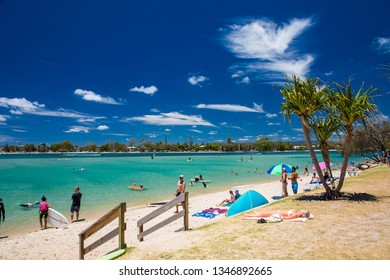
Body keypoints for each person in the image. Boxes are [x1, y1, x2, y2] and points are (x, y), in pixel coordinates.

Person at [243, 209, 311, 221]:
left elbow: (288, 218)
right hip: (279, 212)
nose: (303, 210)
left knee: (264, 215)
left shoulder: (296, 215)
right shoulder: (297, 212)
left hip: (279, 214)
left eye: (304, 211)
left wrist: (281, 217)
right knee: (265, 213)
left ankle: (249, 216)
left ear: (303, 214)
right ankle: (257, 214)